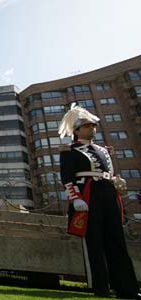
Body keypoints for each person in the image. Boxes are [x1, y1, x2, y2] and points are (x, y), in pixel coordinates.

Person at [58, 104, 140, 299]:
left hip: (109, 194)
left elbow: (108, 173)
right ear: (76, 131)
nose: (92, 129)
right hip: (88, 194)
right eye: (87, 126)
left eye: (93, 125)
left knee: (117, 240)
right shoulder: (69, 150)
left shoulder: (103, 150)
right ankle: (101, 287)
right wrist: (75, 198)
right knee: (95, 243)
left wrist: (116, 181)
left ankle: (126, 288)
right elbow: (67, 177)